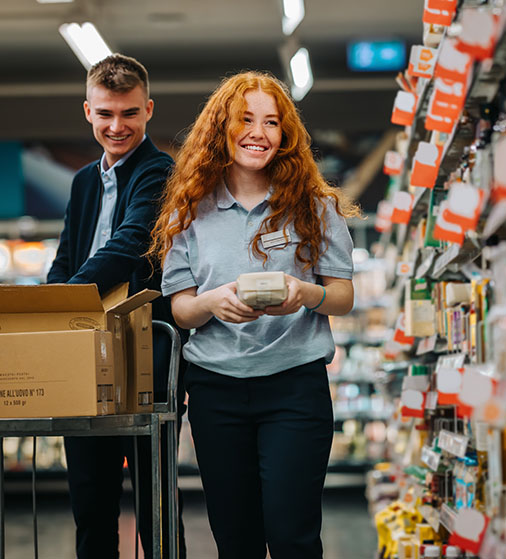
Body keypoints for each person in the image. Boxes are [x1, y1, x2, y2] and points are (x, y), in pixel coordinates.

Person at [149, 70, 359, 559]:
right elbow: (180, 310)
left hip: (294, 389)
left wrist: (305, 294)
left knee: (292, 536)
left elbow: (343, 297)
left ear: (285, 135)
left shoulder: (314, 205)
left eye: (271, 122)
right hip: (215, 392)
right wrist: (211, 303)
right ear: (221, 128)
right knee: (235, 539)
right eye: (245, 120)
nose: (258, 133)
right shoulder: (188, 210)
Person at [47, 53, 187, 559]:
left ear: (147, 109)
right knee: (90, 500)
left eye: (129, 113)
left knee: (155, 504)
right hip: (84, 356)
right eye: (106, 113)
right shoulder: (84, 181)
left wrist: (62, 304)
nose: (117, 125)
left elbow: (128, 245)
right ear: (88, 111)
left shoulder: (159, 172)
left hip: (145, 355)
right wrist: (54, 309)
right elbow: (66, 257)